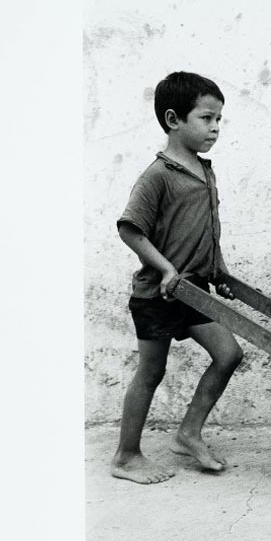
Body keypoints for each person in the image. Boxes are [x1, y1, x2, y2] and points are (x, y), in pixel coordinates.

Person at [111, 71, 243, 484]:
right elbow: (130, 228)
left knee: (229, 354)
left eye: (220, 119)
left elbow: (209, 226)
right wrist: (166, 268)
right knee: (151, 372)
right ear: (174, 119)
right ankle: (126, 456)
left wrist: (218, 269)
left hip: (194, 291)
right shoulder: (159, 175)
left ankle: (189, 433)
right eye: (207, 118)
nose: (216, 128)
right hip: (158, 292)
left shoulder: (205, 171)